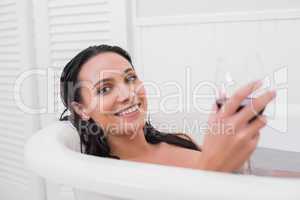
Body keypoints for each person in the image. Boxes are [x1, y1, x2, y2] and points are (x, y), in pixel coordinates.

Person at [59, 44, 276, 172]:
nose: (127, 94)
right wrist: (211, 168)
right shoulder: (107, 176)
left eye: (130, 78)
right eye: (104, 89)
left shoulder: (180, 139)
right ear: (81, 109)